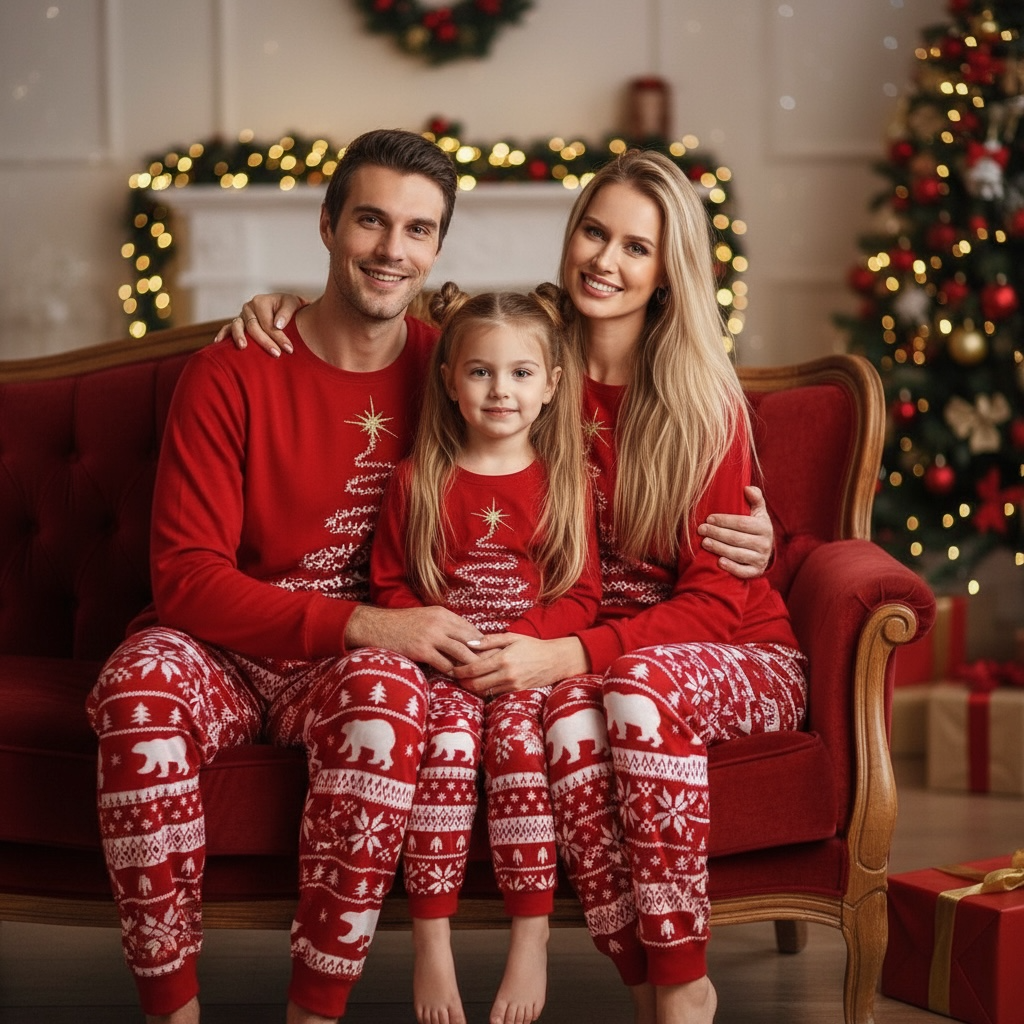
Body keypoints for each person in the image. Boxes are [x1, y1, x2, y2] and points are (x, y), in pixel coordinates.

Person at [85, 128, 490, 1024]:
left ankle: (314, 1013)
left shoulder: (457, 372)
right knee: (135, 688)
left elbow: (588, 436)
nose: (392, 249)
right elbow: (186, 579)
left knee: (391, 699)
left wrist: (750, 508)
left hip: (353, 672)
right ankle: (172, 1011)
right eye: (372, 221)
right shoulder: (231, 370)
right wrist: (367, 625)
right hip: (220, 649)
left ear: (436, 248)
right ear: (327, 225)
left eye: (419, 230)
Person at [370, 282, 599, 1024]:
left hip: (525, 674)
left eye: (521, 373)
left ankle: (529, 937)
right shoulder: (416, 480)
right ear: (449, 380)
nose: (501, 390)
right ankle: (429, 941)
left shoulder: (568, 481)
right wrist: (444, 646)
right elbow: (390, 588)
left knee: (521, 757)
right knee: (440, 752)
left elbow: (583, 597)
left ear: (551, 386)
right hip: (441, 674)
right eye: (480, 371)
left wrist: (529, 651)